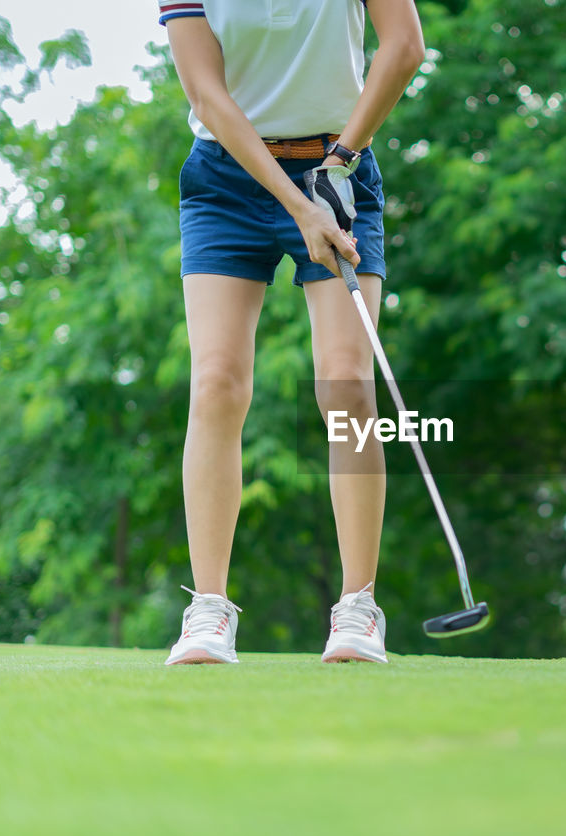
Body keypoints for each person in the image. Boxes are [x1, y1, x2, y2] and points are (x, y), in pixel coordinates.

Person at [157, 1, 426, 665]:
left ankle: (358, 606)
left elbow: (404, 48)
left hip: (339, 164)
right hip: (226, 178)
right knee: (217, 379)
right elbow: (205, 92)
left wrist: (340, 163)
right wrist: (297, 202)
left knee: (348, 382)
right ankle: (208, 610)